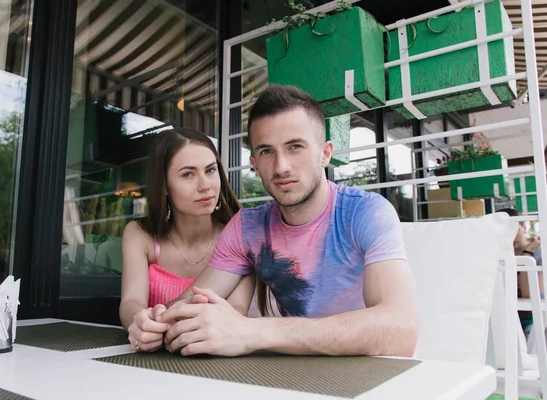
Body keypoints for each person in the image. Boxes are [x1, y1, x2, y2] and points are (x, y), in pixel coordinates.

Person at [157, 85, 419, 357]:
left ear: (325, 153)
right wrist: (155, 322)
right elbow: (186, 309)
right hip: (285, 375)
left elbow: (401, 331)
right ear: (254, 163)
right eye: (267, 152)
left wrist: (251, 331)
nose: (281, 167)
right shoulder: (246, 227)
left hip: (364, 374)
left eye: (295, 147)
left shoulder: (366, 212)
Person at [119, 128, 254, 352]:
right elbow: (131, 301)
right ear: (163, 185)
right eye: (188, 174)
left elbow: (237, 310)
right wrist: (140, 323)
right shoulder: (139, 234)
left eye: (210, 170)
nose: (205, 185)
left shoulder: (241, 235)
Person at [498, 207, 542, 337]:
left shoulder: (539, 254)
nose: (510, 237)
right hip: (506, 314)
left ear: (524, 227)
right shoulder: (499, 256)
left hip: (532, 315)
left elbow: (529, 294)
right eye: (504, 232)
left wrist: (527, 254)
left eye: (514, 230)